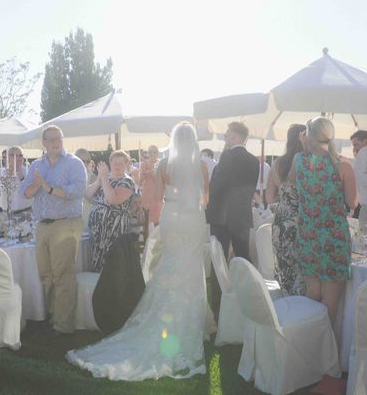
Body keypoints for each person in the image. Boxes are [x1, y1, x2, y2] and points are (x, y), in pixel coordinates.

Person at [67, 122, 215, 380]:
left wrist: (154, 185)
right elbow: (206, 199)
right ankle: (191, 323)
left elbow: (154, 200)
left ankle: (163, 318)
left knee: (170, 265)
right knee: (192, 268)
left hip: (172, 217)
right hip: (193, 219)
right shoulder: (201, 165)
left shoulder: (164, 165)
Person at [290, 117, 357, 325]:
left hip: (308, 233)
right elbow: (352, 202)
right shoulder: (343, 167)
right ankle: (328, 349)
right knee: (330, 301)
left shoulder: (299, 160)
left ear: (309, 135)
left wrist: (304, 147)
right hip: (334, 236)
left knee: (313, 293)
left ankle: (313, 344)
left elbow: (292, 182)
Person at [20, 125, 87, 334]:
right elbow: (25, 192)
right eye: (50, 139)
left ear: (62, 140)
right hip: (42, 225)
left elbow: (77, 191)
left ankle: (63, 325)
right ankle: (53, 316)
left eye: (58, 138)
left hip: (66, 223)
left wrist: (47, 186)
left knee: (63, 274)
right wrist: (37, 185)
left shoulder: (74, 163)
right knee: (46, 274)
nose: (55, 142)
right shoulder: (36, 165)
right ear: (44, 143)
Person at [206, 121, 259, 260]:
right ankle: (244, 282)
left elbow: (217, 184)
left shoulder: (227, 156)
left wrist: (207, 197)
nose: (225, 138)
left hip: (222, 215)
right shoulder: (254, 161)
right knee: (242, 256)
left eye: (227, 135)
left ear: (235, 137)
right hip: (242, 216)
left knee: (219, 258)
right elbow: (251, 188)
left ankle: (220, 282)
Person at [266, 124, 306, 296]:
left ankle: (287, 305)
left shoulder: (277, 164)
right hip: (303, 221)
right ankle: (304, 309)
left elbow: (270, 199)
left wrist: (285, 196)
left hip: (282, 221)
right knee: (303, 272)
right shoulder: (307, 161)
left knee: (286, 269)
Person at [85, 150, 136, 272]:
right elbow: (87, 194)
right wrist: (99, 180)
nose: (117, 166)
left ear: (127, 164)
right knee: (96, 261)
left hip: (114, 231)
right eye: (114, 163)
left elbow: (113, 199)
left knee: (112, 263)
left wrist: (104, 179)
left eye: (121, 163)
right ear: (110, 164)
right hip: (97, 230)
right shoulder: (104, 179)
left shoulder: (127, 181)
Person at [0, 147, 32, 213]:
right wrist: (4, 183)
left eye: (21, 155)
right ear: (9, 157)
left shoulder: (28, 171)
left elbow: (31, 191)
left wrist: (20, 174)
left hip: (25, 212)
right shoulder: (1, 172)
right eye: (15, 155)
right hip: (6, 212)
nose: (19, 158)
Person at [139, 145, 163, 227]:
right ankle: (147, 238)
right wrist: (143, 173)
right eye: (150, 152)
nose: (152, 154)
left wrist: (150, 168)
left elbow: (159, 180)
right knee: (146, 219)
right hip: (147, 192)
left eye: (154, 152)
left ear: (158, 153)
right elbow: (140, 181)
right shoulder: (143, 164)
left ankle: (157, 238)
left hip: (157, 193)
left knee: (157, 219)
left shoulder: (160, 163)